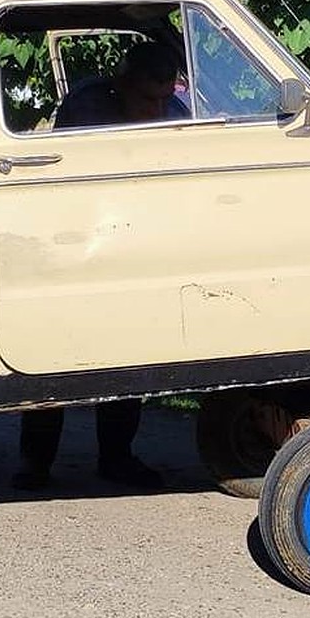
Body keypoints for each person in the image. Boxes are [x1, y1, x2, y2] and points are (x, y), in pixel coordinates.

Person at [12, 40, 185, 492]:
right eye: (149, 99)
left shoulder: (175, 114)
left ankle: (117, 457)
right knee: (52, 356)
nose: (158, 109)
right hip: (74, 244)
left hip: (133, 246)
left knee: (127, 356)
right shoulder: (88, 107)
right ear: (123, 83)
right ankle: (36, 462)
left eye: (166, 98)